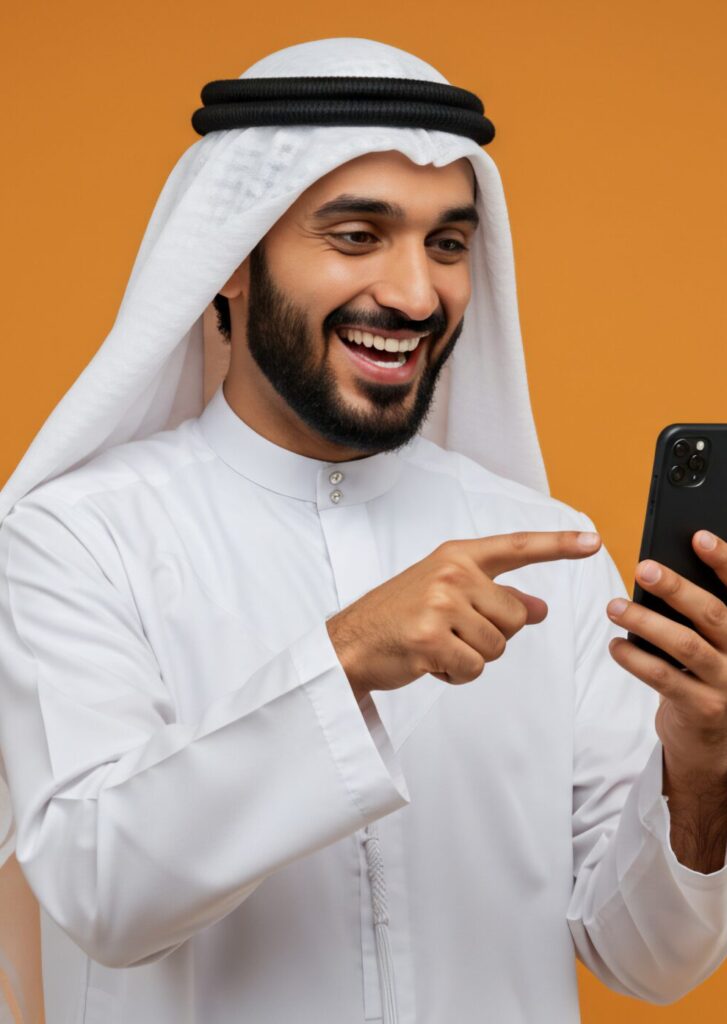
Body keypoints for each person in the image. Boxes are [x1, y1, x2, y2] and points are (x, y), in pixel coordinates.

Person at [0, 37, 726, 1024]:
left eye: (447, 244)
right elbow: (99, 891)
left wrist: (697, 764)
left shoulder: (543, 545)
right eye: (355, 236)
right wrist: (341, 660)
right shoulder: (75, 537)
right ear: (229, 263)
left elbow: (643, 955)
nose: (415, 294)